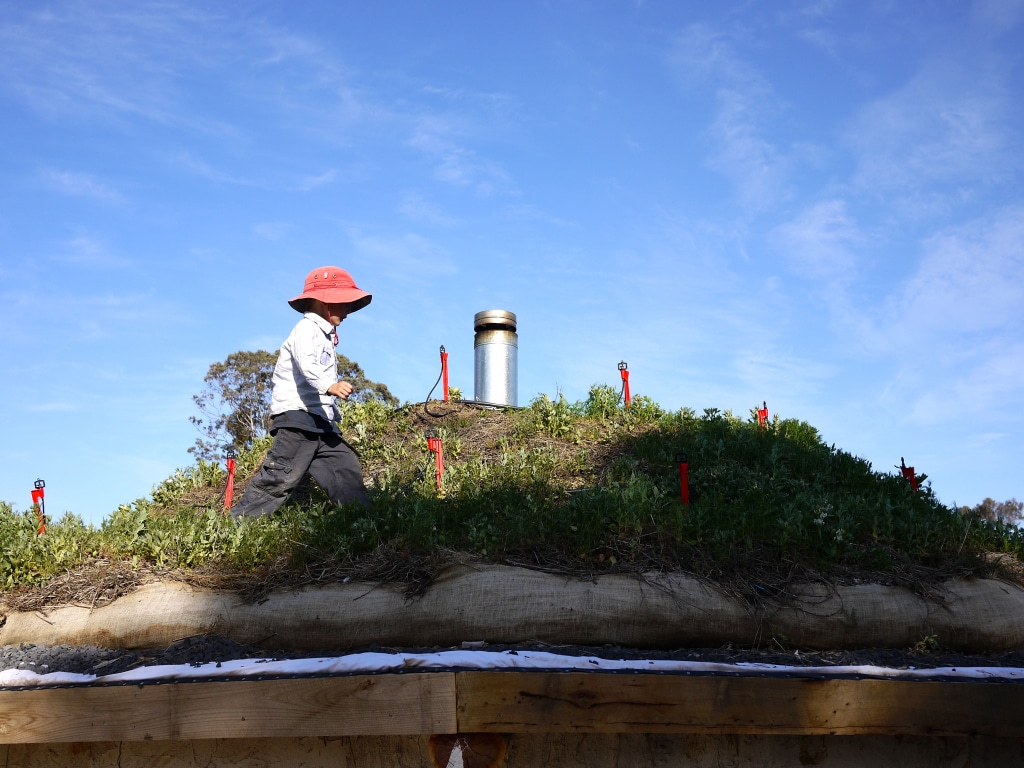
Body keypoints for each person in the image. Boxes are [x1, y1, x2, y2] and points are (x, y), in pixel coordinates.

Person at [232, 266, 372, 518]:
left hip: (321, 422)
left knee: (345, 471)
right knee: (280, 478)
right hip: (298, 420)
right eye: (344, 303)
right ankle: (235, 527)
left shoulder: (325, 335)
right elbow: (306, 365)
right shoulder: (305, 329)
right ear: (323, 301)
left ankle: (363, 525)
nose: (348, 312)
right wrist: (329, 386)